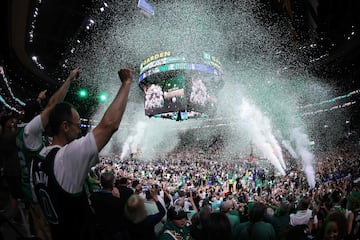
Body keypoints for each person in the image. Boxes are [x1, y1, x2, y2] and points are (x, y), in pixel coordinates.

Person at [29, 67, 133, 239]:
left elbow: (38, 215)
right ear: (65, 126)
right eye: (77, 126)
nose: (79, 131)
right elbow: (109, 125)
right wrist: (126, 83)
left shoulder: (37, 161)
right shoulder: (66, 157)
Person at [16, 68, 79, 240]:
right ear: (36, 116)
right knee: (46, 230)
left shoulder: (19, 130)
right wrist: (69, 78)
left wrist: (37, 100)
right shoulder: (30, 131)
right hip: (35, 189)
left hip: (27, 188)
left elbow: (33, 111)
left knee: (37, 227)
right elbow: (52, 107)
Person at [90, 171, 128, 240]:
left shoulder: (93, 196)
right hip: (113, 231)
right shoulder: (118, 201)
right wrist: (118, 198)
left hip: (99, 229)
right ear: (113, 184)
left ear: (100, 183)